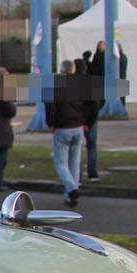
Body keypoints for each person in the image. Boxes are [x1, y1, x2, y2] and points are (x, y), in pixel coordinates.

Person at [48, 59, 88, 207]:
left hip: (62, 127)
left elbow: (50, 106)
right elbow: (91, 104)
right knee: (75, 162)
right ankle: (70, 194)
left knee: (61, 162)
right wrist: (86, 120)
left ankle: (71, 189)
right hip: (78, 126)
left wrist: (51, 123)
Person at [81, 49, 103, 180]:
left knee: (75, 148)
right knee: (92, 145)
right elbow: (96, 104)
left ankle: (77, 175)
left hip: (77, 120)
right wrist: (90, 122)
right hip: (89, 119)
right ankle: (92, 172)